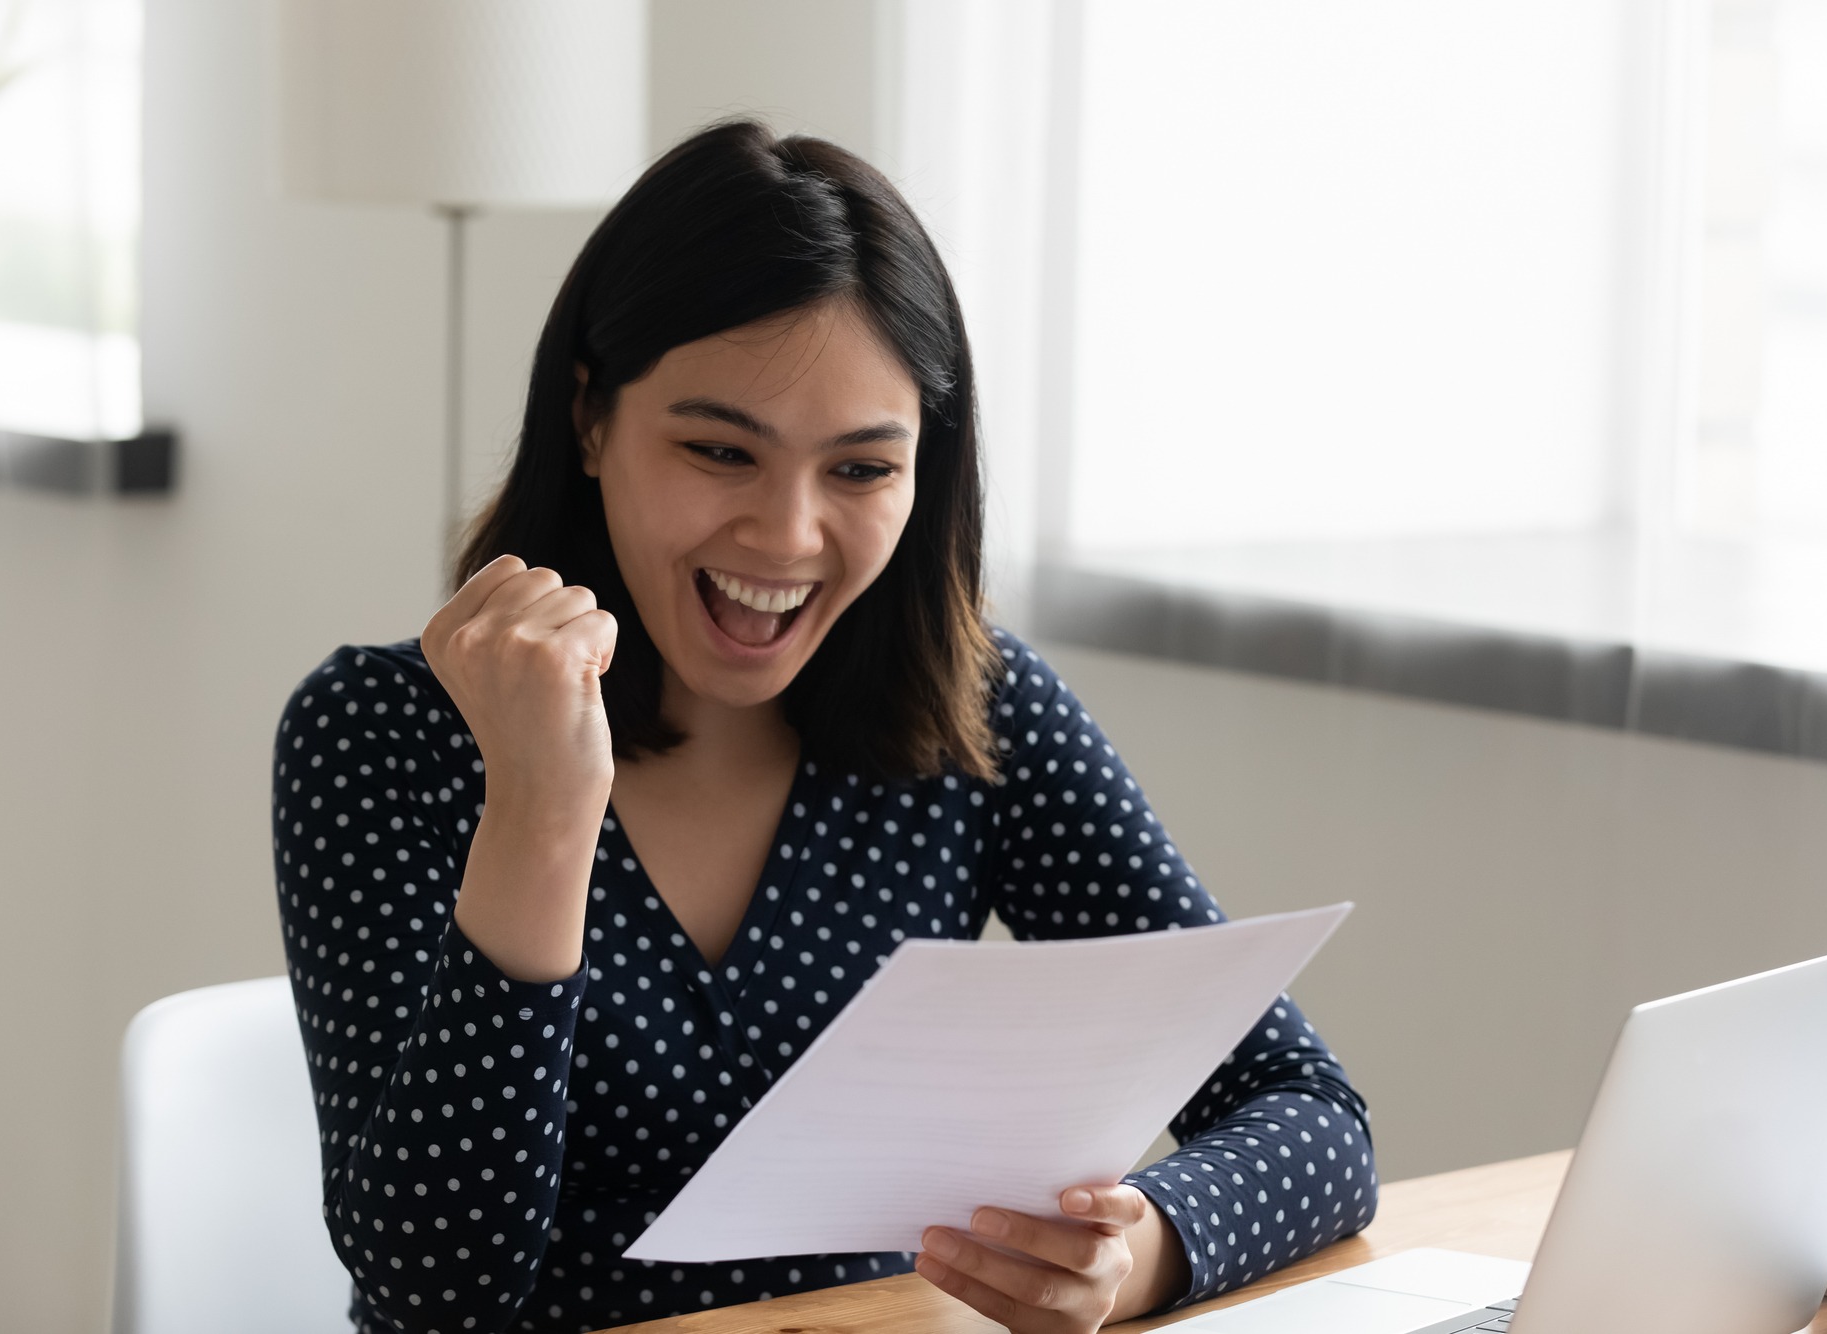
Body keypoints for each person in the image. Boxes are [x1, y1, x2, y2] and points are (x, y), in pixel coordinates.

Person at [274, 120, 1375, 1334]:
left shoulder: (970, 711)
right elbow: (439, 1289)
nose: (787, 535)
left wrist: (1140, 1249)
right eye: (717, 450)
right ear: (590, 418)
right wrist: (542, 802)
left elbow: (1307, 1110)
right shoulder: (381, 734)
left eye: (859, 470)